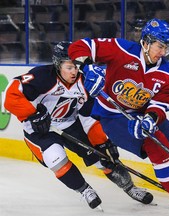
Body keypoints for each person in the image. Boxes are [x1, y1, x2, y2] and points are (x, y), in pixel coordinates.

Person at [68, 18, 169, 216]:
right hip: (113, 116)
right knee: (156, 144)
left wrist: (151, 118)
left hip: (143, 114)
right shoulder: (121, 49)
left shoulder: (168, 75)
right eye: (159, 46)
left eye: (167, 48)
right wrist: (87, 67)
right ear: (145, 42)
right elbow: (80, 46)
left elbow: (161, 105)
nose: (162, 52)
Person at [4, 41, 153, 210]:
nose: (74, 71)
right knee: (55, 158)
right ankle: (84, 190)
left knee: (104, 158)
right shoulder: (43, 76)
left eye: (76, 66)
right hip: (40, 131)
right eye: (69, 67)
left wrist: (101, 141)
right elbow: (12, 92)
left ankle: (130, 187)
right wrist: (32, 114)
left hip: (69, 124)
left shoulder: (85, 82)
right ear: (58, 65)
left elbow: (90, 114)